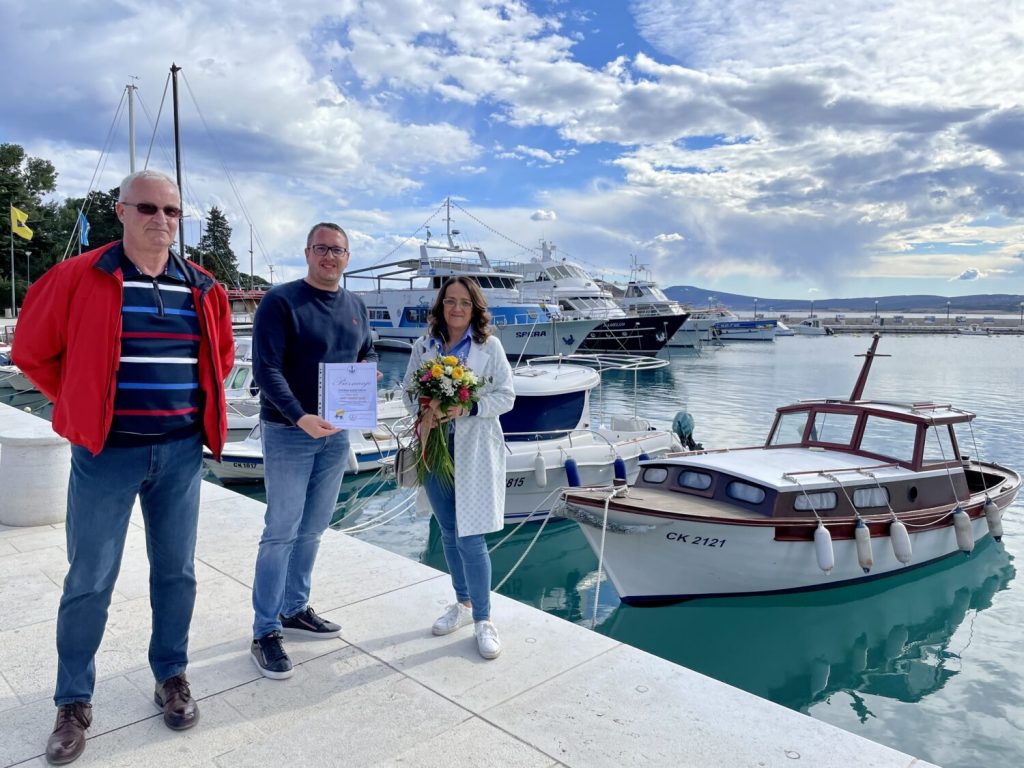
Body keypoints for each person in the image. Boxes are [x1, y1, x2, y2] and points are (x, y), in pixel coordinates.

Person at [12, 169, 234, 765]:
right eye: (147, 208)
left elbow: (220, 358)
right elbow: (31, 351)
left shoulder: (203, 287)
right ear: (121, 211)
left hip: (180, 454)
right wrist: (81, 402)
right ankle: (72, 701)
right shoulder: (78, 276)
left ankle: (171, 676)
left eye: (171, 211)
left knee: (177, 573)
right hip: (105, 454)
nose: (161, 219)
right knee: (89, 578)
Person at [249, 222, 377, 679]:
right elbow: (265, 368)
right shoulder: (281, 301)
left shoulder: (356, 306)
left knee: (314, 528)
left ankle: (294, 608)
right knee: (281, 531)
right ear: (307, 253)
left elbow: (367, 353)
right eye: (321, 248)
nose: (329, 257)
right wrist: (300, 416)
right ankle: (265, 630)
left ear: (347, 257)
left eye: (337, 250)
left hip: (336, 434)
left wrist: (366, 377)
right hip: (289, 431)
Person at [401, 276, 515, 659]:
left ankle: (483, 618)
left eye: (464, 302)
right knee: (449, 531)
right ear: (441, 306)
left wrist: (468, 407)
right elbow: (407, 391)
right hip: (435, 448)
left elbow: (506, 396)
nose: (457, 308)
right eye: (450, 301)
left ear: (474, 308)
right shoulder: (424, 346)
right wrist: (426, 408)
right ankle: (462, 603)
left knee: (471, 536)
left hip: (475, 449)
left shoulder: (489, 347)